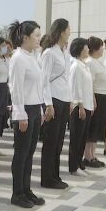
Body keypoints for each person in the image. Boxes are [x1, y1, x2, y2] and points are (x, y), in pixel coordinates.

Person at [8, 20, 46, 208]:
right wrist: (21, 113)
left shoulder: (33, 56)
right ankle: (17, 193)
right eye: (37, 35)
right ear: (25, 38)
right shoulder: (18, 58)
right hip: (23, 111)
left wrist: (39, 108)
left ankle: (26, 189)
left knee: (30, 153)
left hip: (34, 109)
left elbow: (36, 86)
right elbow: (16, 89)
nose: (40, 38)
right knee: (21, 153)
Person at [39, 18, 71, 190]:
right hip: (54, 101)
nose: (69, 33)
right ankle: (47, 178)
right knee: (51, 141)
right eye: (68, 30)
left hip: (64, 100)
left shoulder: (63, 52)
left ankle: (55, 175)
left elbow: (66, 79)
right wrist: (48, 104)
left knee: (59, 141)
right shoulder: (49, 53)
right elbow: (44, 81)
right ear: (60, 32)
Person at [82, 37, 106, 169]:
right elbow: (91, 83)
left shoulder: (98, 62)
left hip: (104, 96)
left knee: (99, 127)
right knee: (93, 128)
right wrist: (93, 99)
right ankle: (88, 156)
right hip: (97, 97)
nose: (103, 48)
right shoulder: (90, 62)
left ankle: (93, 155)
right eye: (101, 46)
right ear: (94, 48)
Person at [68, 38, 94, 176]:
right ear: (80, 49)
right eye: (86, 47)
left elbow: (88, 88)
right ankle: (73, 167)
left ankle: (79, 163)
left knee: (83, 137)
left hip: (87, 105)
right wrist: (81, 106)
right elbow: (75, 88)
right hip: (79, 107)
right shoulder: (76, 66)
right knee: (76, 138)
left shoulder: (84, 65)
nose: (88, 49)